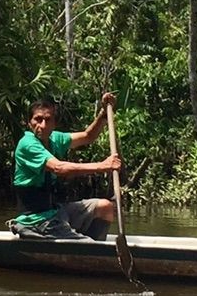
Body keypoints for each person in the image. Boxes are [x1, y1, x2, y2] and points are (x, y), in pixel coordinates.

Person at [10, 93, 121, 240]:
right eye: (38, 119)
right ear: (29, 123)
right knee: (88, 244)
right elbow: (59, 168)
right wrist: (102, 166)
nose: (42, 125)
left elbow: (88, 136)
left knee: (105, 207)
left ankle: (94, 245)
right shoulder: (27, 144)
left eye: (48, 120)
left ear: (54, 124)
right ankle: (89, 246)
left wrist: (104, 113)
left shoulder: (55, 139)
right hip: (36, 221)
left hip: (56, 212)